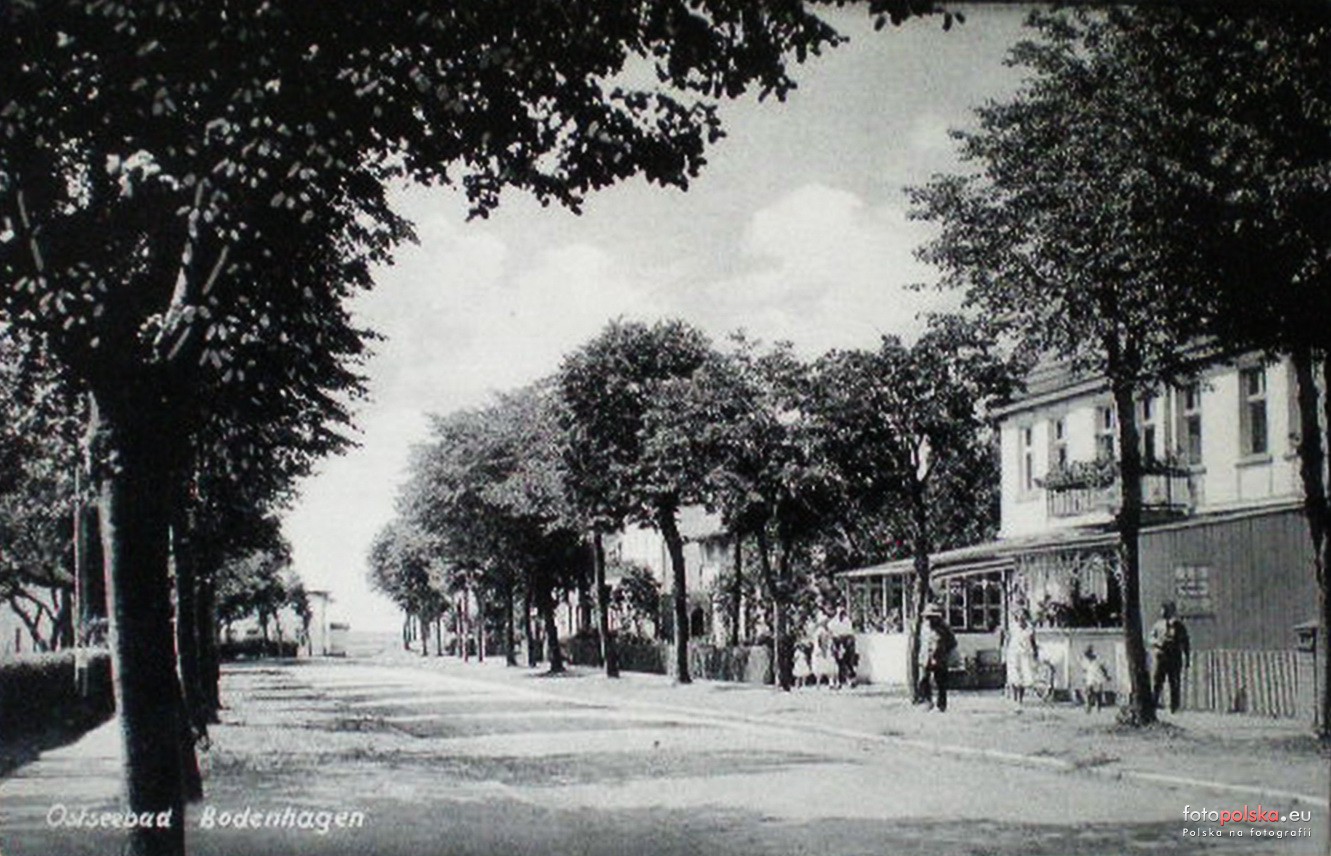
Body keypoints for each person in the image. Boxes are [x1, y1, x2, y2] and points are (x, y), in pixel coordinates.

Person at [1150, 601, 1191, 713]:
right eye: (1162, 610)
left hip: (1174, 657)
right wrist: (1158, 642)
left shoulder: (1179, 626)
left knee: (1174, 682)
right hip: (1161, 657)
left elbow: (1185, 642)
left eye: (1165, 610)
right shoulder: (1157, 625)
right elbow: (1151, 638)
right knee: (1157, 682)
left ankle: (1174, 707)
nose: (1162, 612)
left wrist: (1187, 658)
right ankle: (1153, 705)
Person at [917, 604, 957, 712]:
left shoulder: (944, 627)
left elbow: (952, 643)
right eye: (927, 617)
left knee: (941, 683)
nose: (929, 619)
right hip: (925, 658)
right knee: (923, 679)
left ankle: (941, 704)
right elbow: (921, 641)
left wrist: (944, 653)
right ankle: (927, 701)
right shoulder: (923, 627)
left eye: (931, 617)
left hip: (940, 659)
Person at [1005, 610, 1039, 705]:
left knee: (1024, 677)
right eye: (1019, 616)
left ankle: (1020, 699)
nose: (1021, 618)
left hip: (1025, 654)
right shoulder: (1013, 627)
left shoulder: (1030, 628)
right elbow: (1007, 640)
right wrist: (1004, 653)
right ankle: (1014, 697)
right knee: (1014, 676)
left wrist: (1035, 652)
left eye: (1023, 616)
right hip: (1013, 654)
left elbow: (1033, 641)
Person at [829, 605, 856, 689]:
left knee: (848, 662)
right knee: (838, 663)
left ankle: (849, 680)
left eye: (843, 613)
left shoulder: (847, 621)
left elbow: (849, 632)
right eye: (840, 613)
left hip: (846, 642)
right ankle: (838, 681)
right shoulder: (834, 621)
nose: (842, 615)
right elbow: (831, 631)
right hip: (837, 642)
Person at [1080, 645, 1111, 712]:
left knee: (1098, 692)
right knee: (1089, 691)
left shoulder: (1098, 659)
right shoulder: (1085, 661)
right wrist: (1084, 677)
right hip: (1090, 677)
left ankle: (1098, 705)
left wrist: (1106, 676)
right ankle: (1089, 705)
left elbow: (1103, 668)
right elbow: (1084, 669)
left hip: (1098, 677)